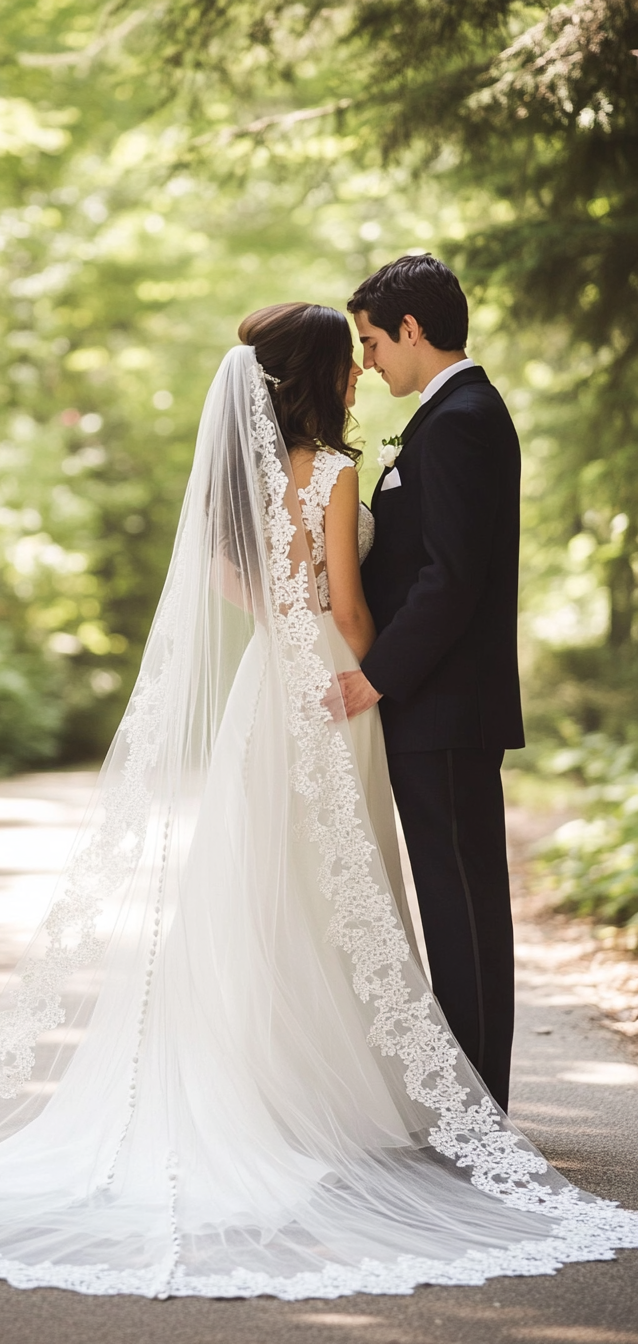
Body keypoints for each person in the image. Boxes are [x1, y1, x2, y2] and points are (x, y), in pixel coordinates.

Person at [0, 304, 636, 1300]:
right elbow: (348, 607)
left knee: (256, 878)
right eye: (348, 362)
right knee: (335, 885)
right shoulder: (335, 473)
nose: (358, 374)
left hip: (268, 686)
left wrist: (281, 620)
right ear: (322, 377)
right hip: (335, 685)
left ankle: (252, 1089)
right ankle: (343, 1103)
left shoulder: (244, 476)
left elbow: (225, 571)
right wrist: (355, 653)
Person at [343, 254, 522, 1112]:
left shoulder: (461, 420)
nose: (369, 362)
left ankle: (480, 1108)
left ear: (411, 330)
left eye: (374, 342)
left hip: (444, 704)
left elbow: (448, 578)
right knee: (458, 898)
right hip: (441, 703)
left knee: (461, 903)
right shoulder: (448, 416)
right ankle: (475, 1100)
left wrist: (374, 677)